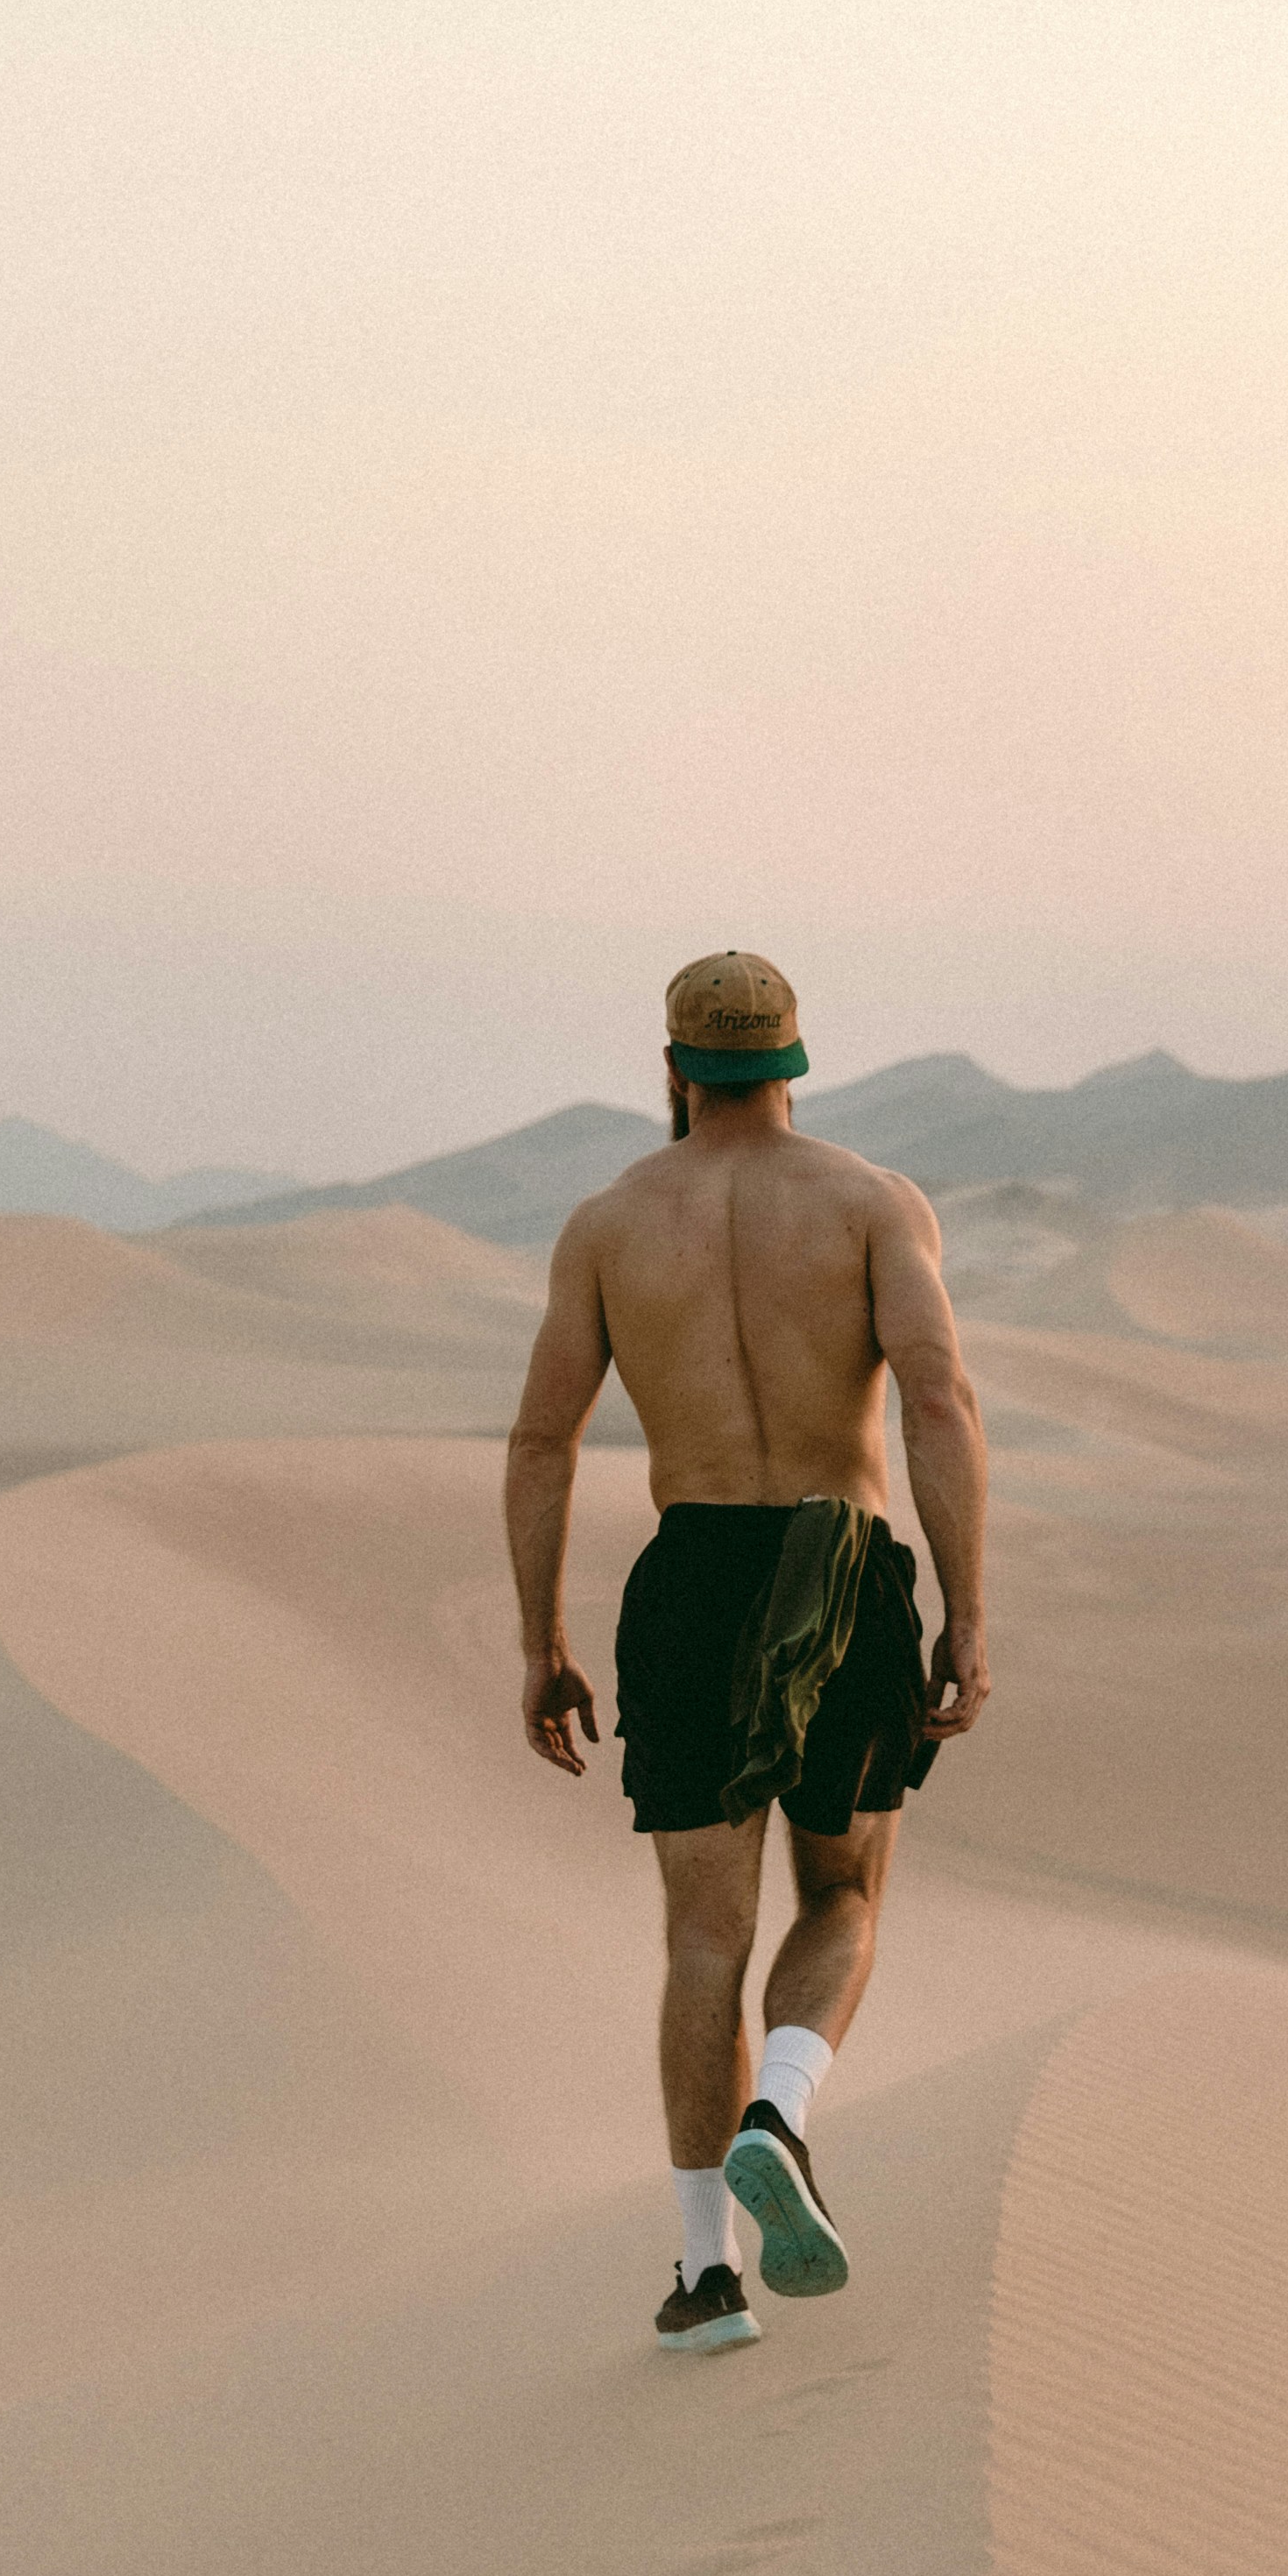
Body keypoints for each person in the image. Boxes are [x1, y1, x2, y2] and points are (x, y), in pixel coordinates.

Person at [502, 947, 994, 2350]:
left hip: (691, 1578)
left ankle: (707, 2276)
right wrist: (967, 1611)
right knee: (840, 1896)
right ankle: (783, 2102)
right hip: (839, 1563)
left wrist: (539, 1639)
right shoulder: (871, 1206)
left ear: (671, 1067)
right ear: (794, 1063)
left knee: (701, 1935)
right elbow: (939, 1402)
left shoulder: (606, 1226)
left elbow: (544, 1439)